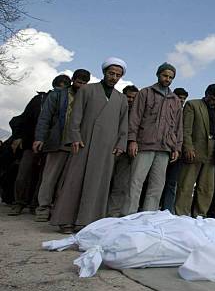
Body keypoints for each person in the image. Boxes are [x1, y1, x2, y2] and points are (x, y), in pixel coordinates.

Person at [50, 58, 128, 233]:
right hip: (84, 143)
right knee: (73, 181)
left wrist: (121, 144)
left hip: (107, 148)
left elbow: (124, 125)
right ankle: (65, 220)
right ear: (104, 73)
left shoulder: (121, 99)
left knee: (98, 184)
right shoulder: (87, 90)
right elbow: (75, 116)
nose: (114, 77)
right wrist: (75, 137)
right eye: (111, 73)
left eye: (117, 75)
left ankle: (87, 222)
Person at [121, 63, 183, 215]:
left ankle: (148, 218)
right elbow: (135, 118)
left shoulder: (175, 100)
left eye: (170, 77)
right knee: (135, 182)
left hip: (164, 148)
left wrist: (176, 147)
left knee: (157, 185)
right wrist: (132, 140)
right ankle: (127, 216)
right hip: (144, 144)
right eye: (165, 75)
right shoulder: (145, 93)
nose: (167, 79)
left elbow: (178, 127)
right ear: (158, 75)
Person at [32, 69, 91, 221]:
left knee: (66, 181)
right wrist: (40, 138)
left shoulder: (87, 97)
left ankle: (59, 210)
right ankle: (43, 209)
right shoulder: (57, 95)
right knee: (49, 178)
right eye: (79, 82)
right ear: (73, 80)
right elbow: (45, 118)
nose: (81, 85)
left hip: (75, 146)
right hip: (57, 142)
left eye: (84, 83)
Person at [8, 74, 71, 216]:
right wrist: (18, 137)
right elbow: (25, 119)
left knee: (45, 176)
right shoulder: (39, 100)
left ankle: (35, 204)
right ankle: (19, 202)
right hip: (31, 142)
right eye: (58, 86)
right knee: (23, 174)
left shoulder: (68, 101)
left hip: (53, 144)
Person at [175, 84, 215, 217]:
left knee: (206, 188)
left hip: (212, 153)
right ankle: (181, 214)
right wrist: (188, 147)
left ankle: (199, 215)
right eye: (213, 98)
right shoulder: (192, 105)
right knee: (186, 185)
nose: (214, 102)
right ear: (206, 94)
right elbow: (186, 130)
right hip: (194, 151)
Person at [107, 85, 139, 217]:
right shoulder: (113, 107)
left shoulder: (138, 114)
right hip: (109, 149)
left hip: (126, 154)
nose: (130, 100)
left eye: (133, 98)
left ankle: (112, 214)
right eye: (128, 96)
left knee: (120, 185)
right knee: (104, 182)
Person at [159, 87, 189, 213]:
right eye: (179, 98)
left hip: (177, 152)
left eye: (183, 99)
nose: (181, 101)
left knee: (172, 183)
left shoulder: (185, 113)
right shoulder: (165, 109)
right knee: (157, 181)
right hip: (162, 149)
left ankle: (167, 210)